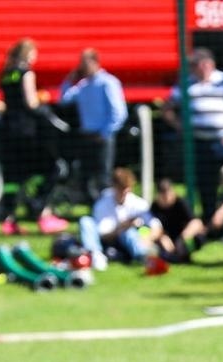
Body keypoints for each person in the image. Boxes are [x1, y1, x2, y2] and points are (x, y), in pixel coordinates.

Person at [164, 49, 223, 223]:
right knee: (206, 185)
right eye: (196, 65)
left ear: (212, 64)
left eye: (205, 64)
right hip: (199, 142)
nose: (201, 68)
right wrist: (180, 126)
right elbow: (167, 108)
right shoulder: (186, 84)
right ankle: (210, 222)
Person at [60, 49, 128, 206]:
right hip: (87, 137)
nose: (83, 67)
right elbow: (64, 99)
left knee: (103, 177)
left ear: (95, 62)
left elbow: (118, 113)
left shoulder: (108, 82)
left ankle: (107, 210)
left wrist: (105, 132)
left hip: (102, 138)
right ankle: (95, 209)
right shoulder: (83, 85)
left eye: (86, 63)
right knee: (86, 178)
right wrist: (70, 80)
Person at [78, 166, 160, 268]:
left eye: (126, 189)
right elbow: (102, 234)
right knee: (85, 221)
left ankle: (142, 255)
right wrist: (121, 227)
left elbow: (156, 226)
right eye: (120, 189)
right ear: (114, 187)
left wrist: (148, 238)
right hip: (105, 240)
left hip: (127, 239)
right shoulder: (103, 201)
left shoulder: (138, 203)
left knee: (129, 232)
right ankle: (95, 255)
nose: (124, 193)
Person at [150, 178, 205, 262]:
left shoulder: (181, 202)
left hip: (182, 237)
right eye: (164, 196)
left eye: (169, 194)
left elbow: (196, 223)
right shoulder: (154, 207)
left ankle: (183, 254)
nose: (167, 199)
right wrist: (162, 237)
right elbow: (153, 227)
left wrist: (182, 239)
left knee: (199, 237)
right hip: (165, 239)